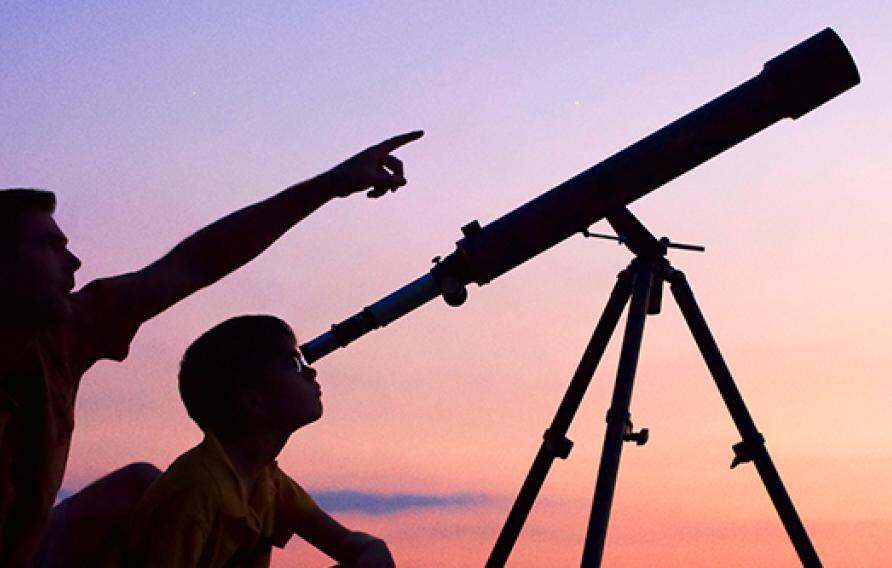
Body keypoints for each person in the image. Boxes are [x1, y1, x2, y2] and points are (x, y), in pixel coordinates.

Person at [0, 130, 422, 568]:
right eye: (49, 247)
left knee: (138, 486)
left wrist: (329, 185)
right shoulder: (198, 487)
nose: (74, 263)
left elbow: (197, 262)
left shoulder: (63, 339)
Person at [127, 315, 393, 567]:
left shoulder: (266, 482)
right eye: (293, 364)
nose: (311, 373)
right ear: (254, 400)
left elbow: (341, 541)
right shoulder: (195, 492)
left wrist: (368, 548)